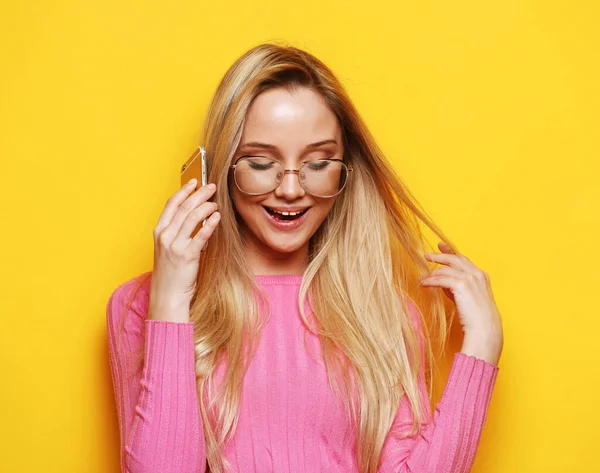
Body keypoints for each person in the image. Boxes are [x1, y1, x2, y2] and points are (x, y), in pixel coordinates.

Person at [106, 42, 503, 473]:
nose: (291, 189)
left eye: (318, 162)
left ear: (344, 170)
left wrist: (482, 346)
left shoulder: (384, 316)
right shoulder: (140, 306)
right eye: (260, 162)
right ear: (220, 168)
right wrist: (169, 301)